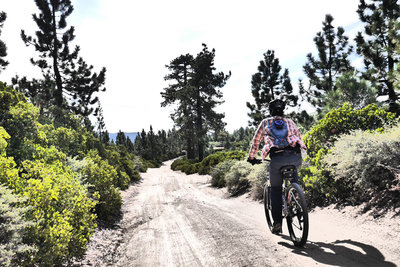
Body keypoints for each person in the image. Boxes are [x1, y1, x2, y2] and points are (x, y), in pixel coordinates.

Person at [247, 99, 307, 235]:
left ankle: (278, 223)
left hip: (277, 160)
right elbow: (300, 138)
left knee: (275, 189)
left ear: (271, 111)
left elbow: (256, 142)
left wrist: (251, 157)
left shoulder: (265, 122)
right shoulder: (290, 122)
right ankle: (297, 201)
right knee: (294, 180)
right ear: (283, 111)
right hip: (295, 158)